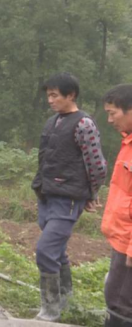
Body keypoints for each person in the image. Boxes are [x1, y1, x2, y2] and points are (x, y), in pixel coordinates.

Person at [31, 72, 107, 322]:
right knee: (57, 251)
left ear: (70, 95)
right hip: (48, 195)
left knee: (45, 250)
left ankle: (50, 309)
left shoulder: (84, 124)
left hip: (68, 198)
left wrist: (91, 193)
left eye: (54, 95)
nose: (50, 101)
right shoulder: (52, 122)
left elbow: (96, 165)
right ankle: (66, 299)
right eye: (48, 96)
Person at [101, 84, 132, 327]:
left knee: (121, 304)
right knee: (117, 296)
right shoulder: (127, 142)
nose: (110, 120)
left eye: (113, 113)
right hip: (121, 237)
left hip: (128, 242)